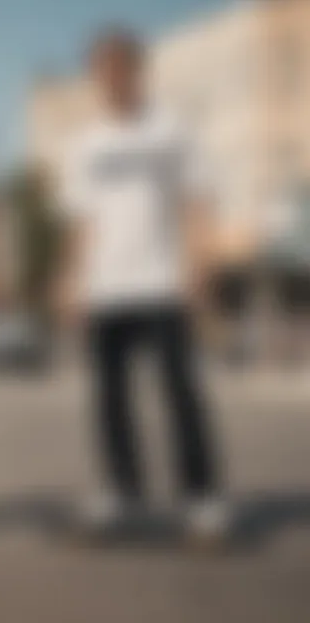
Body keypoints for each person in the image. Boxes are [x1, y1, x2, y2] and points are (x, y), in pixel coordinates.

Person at [52, 27, 229, 545]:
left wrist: (200, 267)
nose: (112, 78)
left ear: (137, 70)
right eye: (102, 70)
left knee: (180, 393)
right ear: (94, 77)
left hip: (162, 283)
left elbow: (198, 201)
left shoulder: (172, 130)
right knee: (110, 399)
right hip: (106, 288)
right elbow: (79, 221)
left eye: (120, 67)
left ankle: (203, 500)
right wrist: (70, 280)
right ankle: (122, 494)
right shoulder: (86, 143)